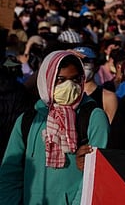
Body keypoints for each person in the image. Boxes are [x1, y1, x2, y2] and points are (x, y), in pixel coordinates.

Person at [0, 50, 109, 204]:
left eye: (76, 79)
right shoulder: (28, 120)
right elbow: (9, 174)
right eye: (60, 80)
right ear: (47, 80)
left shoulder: (93, 117)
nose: (70, 86)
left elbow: (95, 178)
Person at [73, 46, 118, 123]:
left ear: (96, 66)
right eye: (76, 61)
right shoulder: (63, 94)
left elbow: (108, 131)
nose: (81, 65)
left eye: (86, 61)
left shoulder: (107, 98)